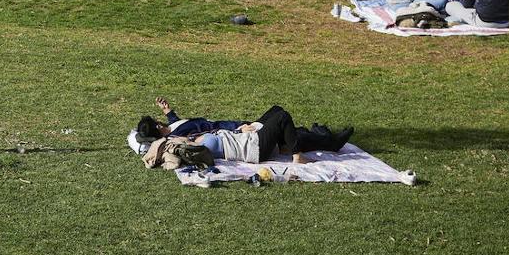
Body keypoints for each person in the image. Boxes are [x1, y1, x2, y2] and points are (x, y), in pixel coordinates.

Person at [130, 97, 353, 156]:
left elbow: (178, 126)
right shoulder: (178, 135)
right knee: (280, 117)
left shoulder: (173, 127)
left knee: (277, 113)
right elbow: (207, 135)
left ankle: (310, 136)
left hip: (237, 129)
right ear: (158, 127)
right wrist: (240, 130)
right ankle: (330, 142)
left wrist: (169, 112)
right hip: (239, 133)